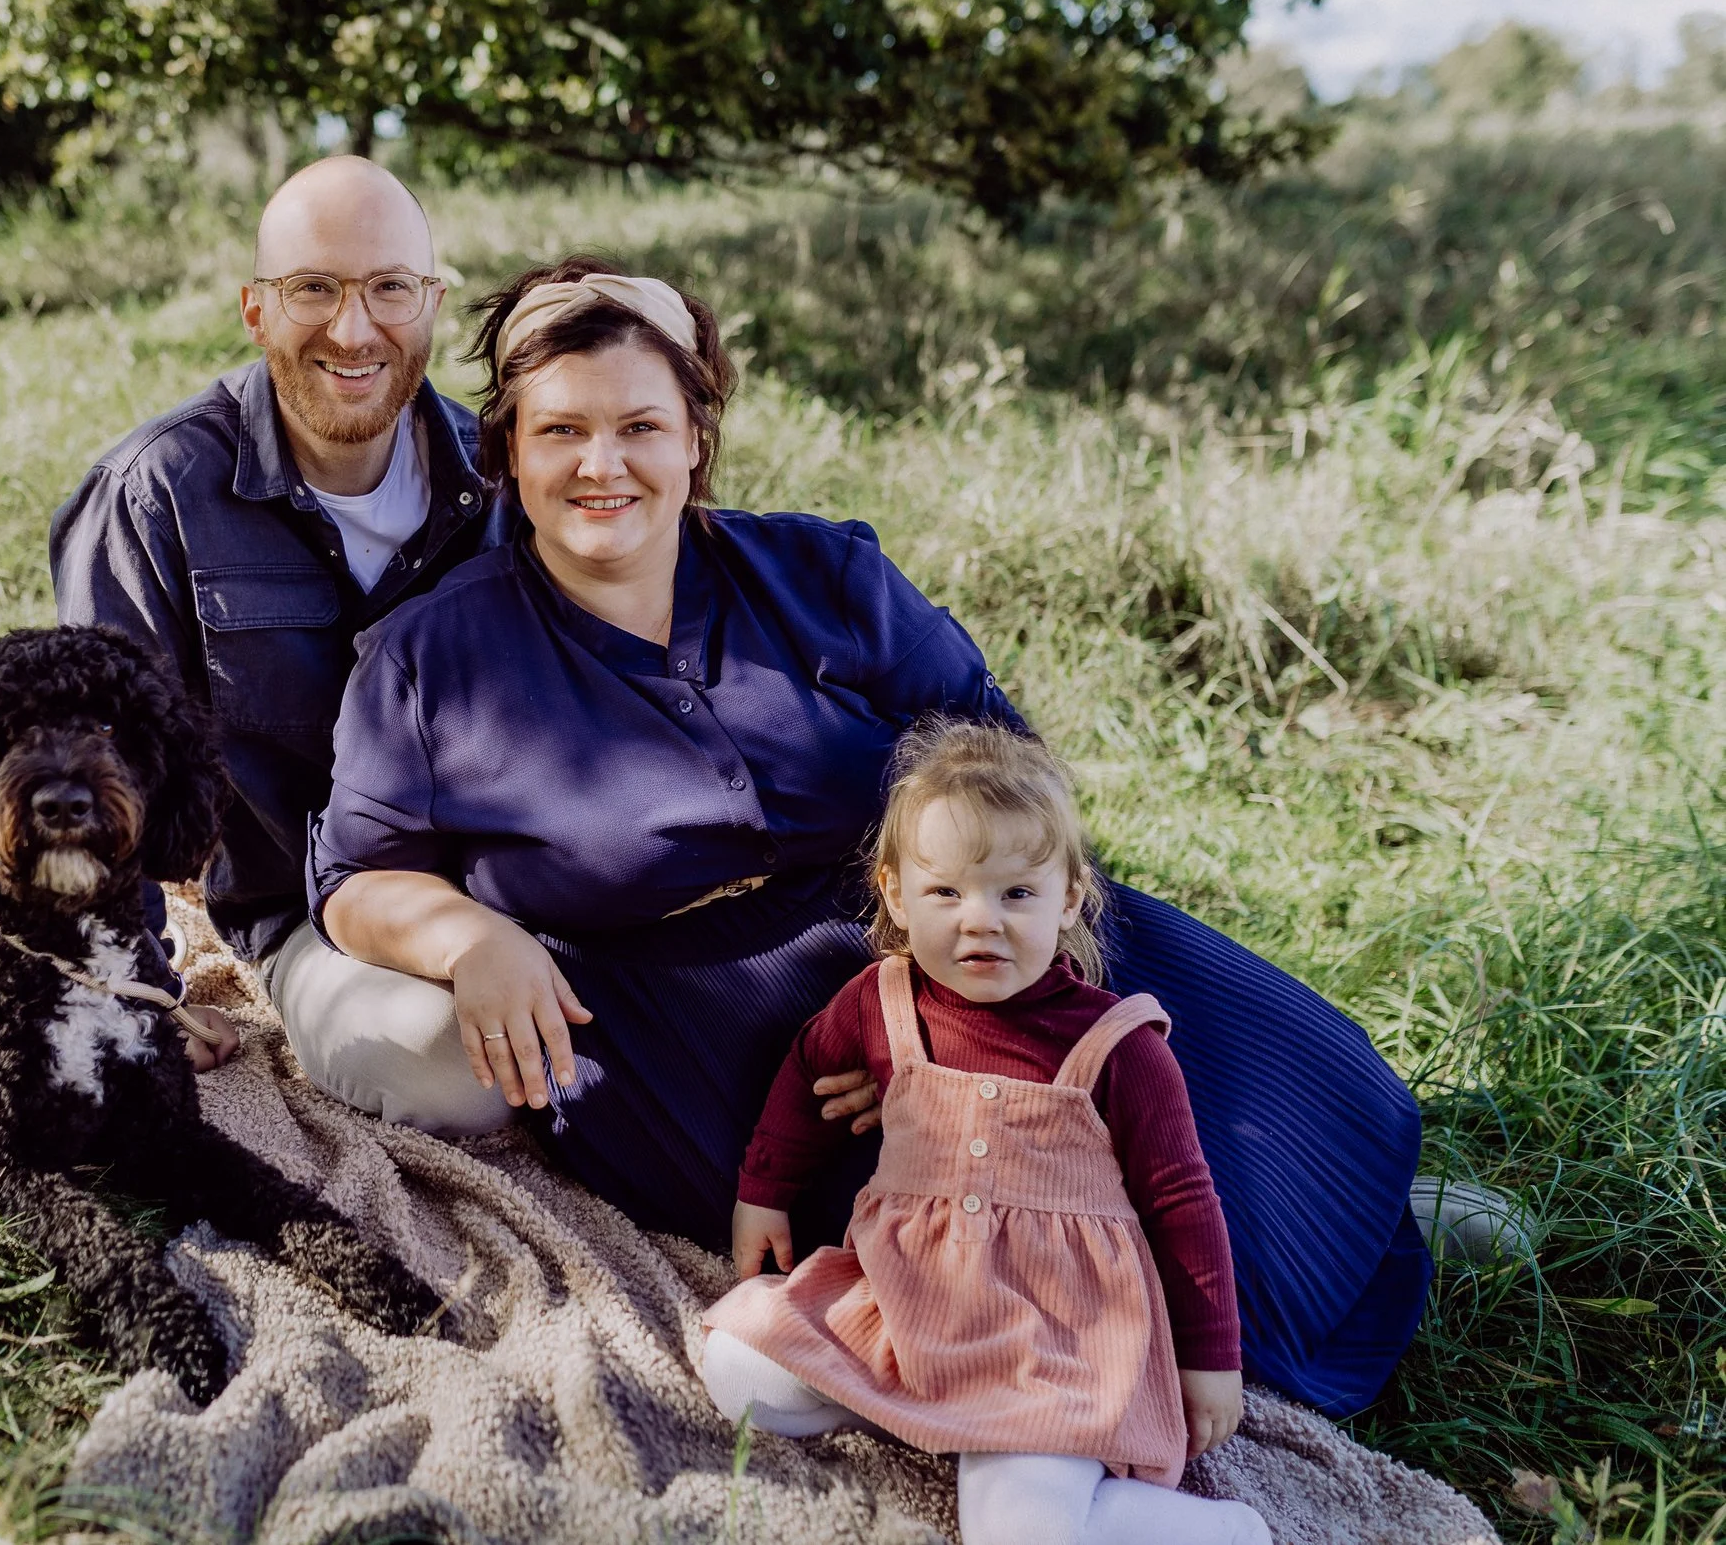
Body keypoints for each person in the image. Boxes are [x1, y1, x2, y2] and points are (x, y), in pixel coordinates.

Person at [305, 255, 1431, 1415]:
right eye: (560, 432)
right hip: (697, 1025)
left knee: (1260, 1089)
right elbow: (354, 872)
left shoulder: (822, 571)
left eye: (641, 424)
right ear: (505, 454)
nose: (603, 464)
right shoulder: (431, 659)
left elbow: (1001, 748)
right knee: (1030, 1216)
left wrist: (950, 951)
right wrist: (468, 942)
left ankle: (1378, 1215)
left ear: (696, 437)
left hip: (942, 918)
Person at [701, 719, 1269, 1545]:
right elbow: (803, 1073)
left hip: (1052, 1343)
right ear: (895, 893)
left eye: (1016, 894)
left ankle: (1209, 1532)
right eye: (946, 893)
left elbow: (1183, 1201)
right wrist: (764, 1192)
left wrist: (1209, 1359)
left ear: (1069, 897)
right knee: (738, 1369)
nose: (980, 922)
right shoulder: (880, 1001)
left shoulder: (1117, 1045)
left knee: (1015, 1533)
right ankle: (943, 1417)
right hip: (907, 1304)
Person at [48, 155, 520, 1133]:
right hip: (308, 915)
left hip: (513, 885)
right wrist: (135, 993)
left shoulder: (507, 480)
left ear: (431, 303)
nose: (355, 329)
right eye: (315, 288)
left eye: (390, 287)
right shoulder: (155, 493)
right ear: (256, 309)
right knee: (459, 1071)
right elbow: (95, 771)